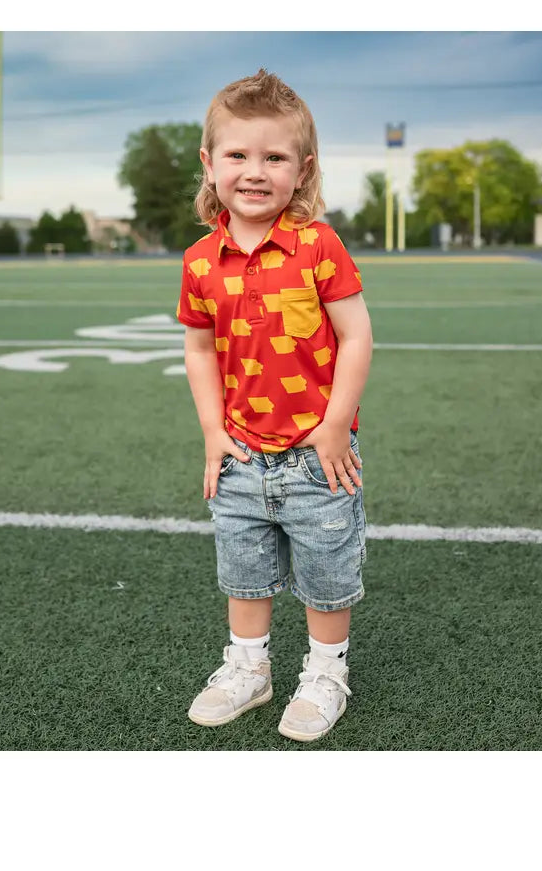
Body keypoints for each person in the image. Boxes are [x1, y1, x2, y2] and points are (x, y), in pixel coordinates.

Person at [176, 69, 373, 742]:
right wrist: (211, 432)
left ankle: (325, 673)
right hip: (239, 453)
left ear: (303, 169)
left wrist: (335, 426)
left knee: (326, 575)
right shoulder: (200, 260)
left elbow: (356, 335)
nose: (254, 171)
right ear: (210, 163)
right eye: (237, 154)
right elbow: (200, 350)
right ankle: (249, 669)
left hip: (318, 456)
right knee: (245, 571)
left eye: (274, 157)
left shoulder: (318, 245)